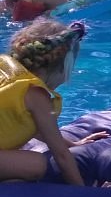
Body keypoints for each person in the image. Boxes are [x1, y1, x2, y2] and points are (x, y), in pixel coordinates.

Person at [0, 19, 104, 185]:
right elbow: (61, 156)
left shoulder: (6, 72)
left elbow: (27, 126)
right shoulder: (35, 95)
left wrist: (74, 144)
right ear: (63, 66)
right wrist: (84, 192)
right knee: (37, 164)